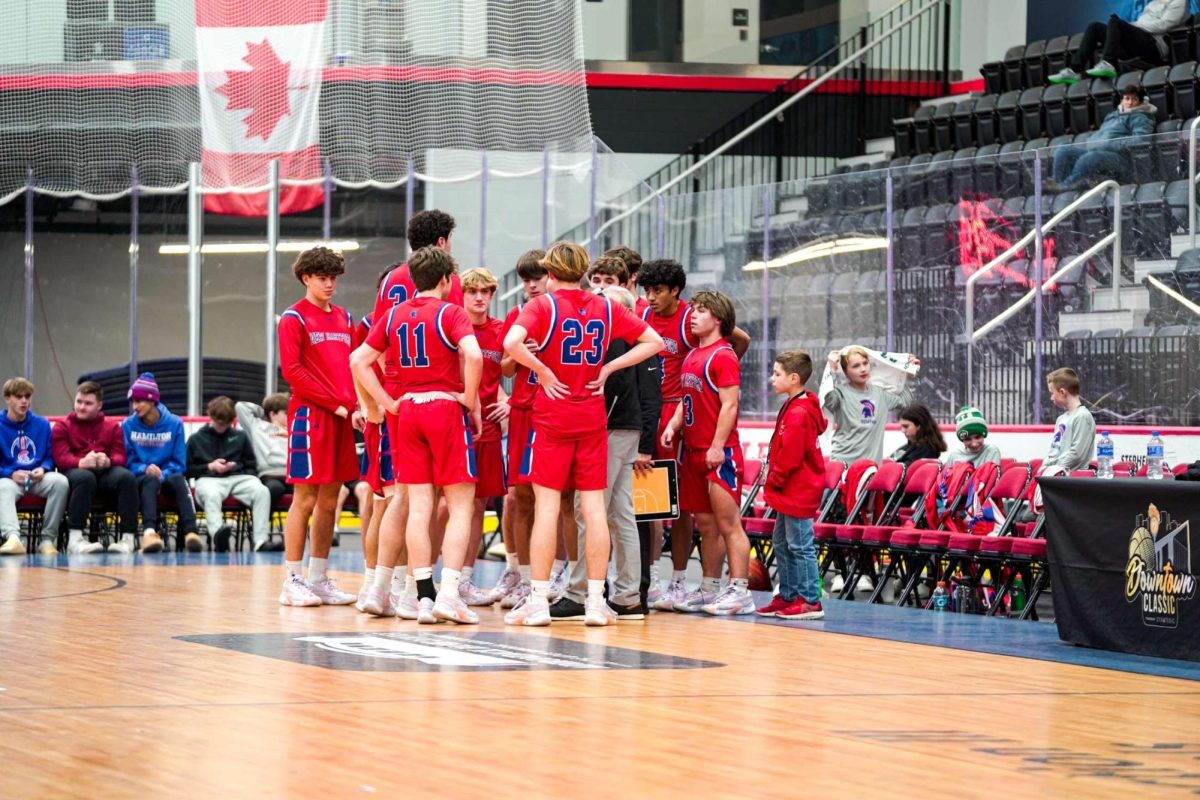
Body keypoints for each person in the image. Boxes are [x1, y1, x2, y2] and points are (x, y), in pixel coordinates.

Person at [503, 241, 663, 626]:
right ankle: (595, 601)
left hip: (554, 415)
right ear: (584, 272)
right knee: (595, 511)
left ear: (552, 273)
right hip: (592, 416)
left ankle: (539, 600)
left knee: (547, 508)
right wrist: (608, 369)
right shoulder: (607, 305)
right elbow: (654, 343)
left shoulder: (543, 305)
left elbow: (510, 344)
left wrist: (541, 370)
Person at [353, 245, 483, 624]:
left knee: (416, 504)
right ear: (446, 280)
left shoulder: (393, 314)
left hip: (407, 409)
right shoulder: (451, 312)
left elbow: (358, 360)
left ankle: (422, 597)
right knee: (460, 504)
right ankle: (449, 594)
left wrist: (385, 403)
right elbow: (473, 356)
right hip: (443, 406)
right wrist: (469, 397)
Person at [639, 258, 751, 612]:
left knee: (727, 523)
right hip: (692, 447)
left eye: (701, 311)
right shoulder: (693, 356)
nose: (693, 315)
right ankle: (707, 586)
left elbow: (730, 406)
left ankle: (740, 589)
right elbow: (683, 399)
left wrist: (718, 446)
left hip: (717, 451)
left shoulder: (722, 354)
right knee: (703, 519)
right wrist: (673, 423)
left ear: (716, 318)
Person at [365, 210, 461, 615]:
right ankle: (413, 590)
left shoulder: (390, 279)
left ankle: (377, 587)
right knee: (436, 500)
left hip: (394, 393)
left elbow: (370, 344)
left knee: (395, 496)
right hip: (435, 394)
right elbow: (461, 344)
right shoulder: (445, 280)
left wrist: (376, 402)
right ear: (441, 243)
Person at [550, 285, 662, 622]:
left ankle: (581, 591)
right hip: (626, 429)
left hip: (612, 429)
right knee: (620, 512)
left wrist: (646, 444)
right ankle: (628, 595)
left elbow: (642, 394)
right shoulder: (637, 342)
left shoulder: (614, 340)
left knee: (589, 509)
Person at [277, 246, 363, 607]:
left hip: (342, 416)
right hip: (311, 416)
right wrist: (339, 405)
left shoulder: (344, 318)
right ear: (306, 278)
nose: (329, 284)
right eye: (321, 278)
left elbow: (355, 366)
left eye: (333, 278)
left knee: (331, 500)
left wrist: (357, 405)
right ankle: (291, 579)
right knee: (305, 497)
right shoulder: (293, 318)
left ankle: (318, 578)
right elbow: (292, 372)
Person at [493, 249, 548, 609]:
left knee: (557, 500)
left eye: (536, 278)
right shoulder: (517, 314)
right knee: (518, 497)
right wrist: (520, 352)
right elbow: (508, 369)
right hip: (524, 411)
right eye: (525, 279)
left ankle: (557, 573)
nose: (530, 285)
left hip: (557, 410)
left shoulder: (562, 310)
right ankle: (522, 574)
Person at [755, 351, 827, 620]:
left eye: (777, 374)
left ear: (794, 378)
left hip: (798, 489)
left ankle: (810, 599)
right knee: (782, 543)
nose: (772, 378)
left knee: (800, 545)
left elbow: (791, 455)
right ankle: (788, 595)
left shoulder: (800, 412)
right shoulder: (793, 405)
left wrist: (774, 480)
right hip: (788, 490)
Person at [459, 267, 510, 606]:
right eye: (473, 291)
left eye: (486, 292)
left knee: (478, 506)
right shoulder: (452, 325)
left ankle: (463, 579)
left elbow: (509, 371)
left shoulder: (502, 331)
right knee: (441, 505)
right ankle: (419, 579)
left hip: (488, 428)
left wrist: (512, 402)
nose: (479, 297)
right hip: (453, 422)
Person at [52, 381, 138, 555]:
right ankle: (75, 540)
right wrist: (81, 462)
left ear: (99, 405)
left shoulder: (112, 426)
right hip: (75, 473)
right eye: (79, 402)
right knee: (85, 478)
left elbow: (121, 456)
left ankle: (128, 540)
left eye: (88, 403)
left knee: (127, 477)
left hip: (104, 473)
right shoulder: (62, 426)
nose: (81, 407)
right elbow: (60, 458)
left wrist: (108, 461)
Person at [121, 372, 198, 554]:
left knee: (179, 479)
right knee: (150, 480)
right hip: (141, 477)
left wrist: (163, 473)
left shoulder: (174, 423)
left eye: (139, 401)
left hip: (168, 475)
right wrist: (144, 468)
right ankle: (149, 534)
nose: (135, 406)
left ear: (152, 401)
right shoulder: (128, 425)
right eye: (133, 401)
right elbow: (126, 460)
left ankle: (191, 532)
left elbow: (179, 462)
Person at [186, 396, 273, 553]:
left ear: (232, 421)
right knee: (211, 495)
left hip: (239, 478)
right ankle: (219, 536)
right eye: (219, 423)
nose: (222, 428)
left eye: (226, 424)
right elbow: (187, 469)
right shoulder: (195, 439)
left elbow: (252, 466)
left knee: (262, 491)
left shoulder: (240, 437)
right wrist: (209, 466)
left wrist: (235, 468)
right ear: (210, 416)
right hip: (208, 479)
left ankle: (261, 541)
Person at [0, 377, 68, 556]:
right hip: (9, 479)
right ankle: (13, 538)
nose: (24, 401)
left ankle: (47, 540)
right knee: (2, 487)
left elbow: (50, 456)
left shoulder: (42, 424)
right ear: (7, 399)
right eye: (18, 396)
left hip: (37, 478)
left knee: (60, 482)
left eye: (27, 396)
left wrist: (44, 469)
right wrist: (9, 473)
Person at [1050, 1, 1188, 84]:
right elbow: (1141, 24)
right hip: (1137, 42)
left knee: (1115, 22)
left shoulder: (1178, 2)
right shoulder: (1152, 3)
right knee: (1095, 27)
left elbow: (1164, 25)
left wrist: (1133, 26)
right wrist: (1133, 27)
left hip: (1155, 46)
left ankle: (1108, 63)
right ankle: (1075, 70)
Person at [1048, 84, 1156, 190]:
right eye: (1127, 98)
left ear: (1140, 102)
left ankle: (1067, 185)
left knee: (1088, 158)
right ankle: (1059, 184)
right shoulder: (1113, 115)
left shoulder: (1141, 117)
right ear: (1121, 100)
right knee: (1063, 149)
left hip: (1122, 159)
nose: (1130, 102)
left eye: (1134, 99)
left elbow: (1140, 140)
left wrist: (1111, 143)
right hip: (1097, 152)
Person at [822, 345, 919, 464]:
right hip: (843, 468)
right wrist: (832, 370)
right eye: (856, 366)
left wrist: (908, 375)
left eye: (865, 363)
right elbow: (828, 400)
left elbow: (905, 401)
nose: (863, 369)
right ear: (846, 372)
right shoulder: (840, 393)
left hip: (871, 470)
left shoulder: (880, 394)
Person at [234, 393, 289, 552]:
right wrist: (265, 410)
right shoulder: (258, 426)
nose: (289, 416)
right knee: (272, 490)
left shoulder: (294, 428)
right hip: (271, 474)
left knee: (311, 492)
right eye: (285, 413)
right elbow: (240, 407)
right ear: (273, 414)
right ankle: (261, 537)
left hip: (293, 475)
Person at [1044, 367, 1096, 473]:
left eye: (1052, 393)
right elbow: (1054, 451)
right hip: (1055, 475)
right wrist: (1044, 467)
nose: (1051, 398)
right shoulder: (1061, 419)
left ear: (1062, 392)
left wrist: (1054, 470)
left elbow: (1076, 454)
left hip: (1070, 480)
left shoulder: (1082, 416)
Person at [603, 245, 649, 316]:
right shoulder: (598, 307)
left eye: (621, 272)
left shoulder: (648, 311)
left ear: (634, 275)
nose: (602, 285)